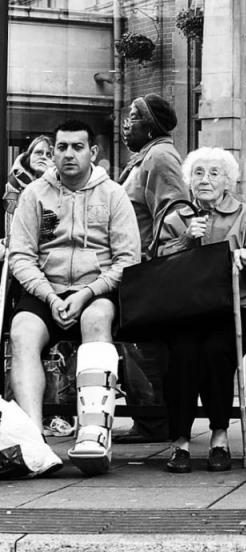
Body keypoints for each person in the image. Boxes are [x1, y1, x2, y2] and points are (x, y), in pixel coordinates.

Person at [8, 119, 141, 476]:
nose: (68, 154)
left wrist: (86, 293)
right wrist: (49, 296)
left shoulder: (113, 194)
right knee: (22, 332)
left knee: (96, 319)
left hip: (96, 288)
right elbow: (20, 256)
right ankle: (35, 438)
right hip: (46, 288)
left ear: (92, 152)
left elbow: (128, 260)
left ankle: (93, 432)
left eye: (77, 147)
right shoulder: (35, 194)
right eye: (62, 147)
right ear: (52, 152)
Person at [158, 148, 246, 473]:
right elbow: (157, 268)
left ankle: (219, 436)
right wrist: (186, 240)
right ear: (189, 179)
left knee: (216, 351)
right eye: (198, 172)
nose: (205, 180)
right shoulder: (176, 218)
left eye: (214, 173)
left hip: (238, 307)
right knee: (182, 353)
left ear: (227, 181)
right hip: (188, 310)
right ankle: (181, 441)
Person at [113, 93, 190, 445]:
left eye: (133, 117)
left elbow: (175, 211)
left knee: (142, 345)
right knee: (134, 344)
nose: (126, 124)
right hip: (134, 269)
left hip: (146, 271)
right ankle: (151, 418)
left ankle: (154, 421)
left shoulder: (159, 156)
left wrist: (155, 260)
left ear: (151, 126)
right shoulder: (144, 158)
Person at [4, 135, 53, 229]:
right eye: (39, 152)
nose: (43, 157)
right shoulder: (15, 180)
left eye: (48, 155)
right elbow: (10, 210)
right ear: (29, 155)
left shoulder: (59, 181)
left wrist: (50, 176)